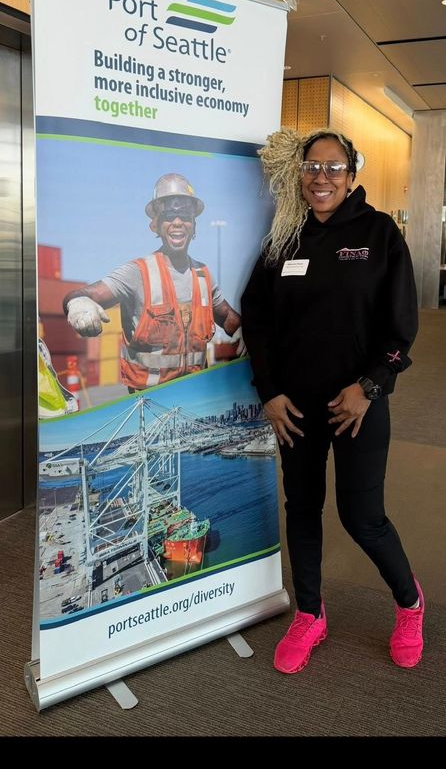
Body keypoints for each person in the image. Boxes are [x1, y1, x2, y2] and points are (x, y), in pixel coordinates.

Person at [241, 127, 424, 674]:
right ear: (299, 173)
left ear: (351, 175)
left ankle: (410, 603)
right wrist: (269, 391)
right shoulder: (285, 238)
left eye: (333, 168)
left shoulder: (379, 233)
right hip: (294, 409)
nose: (321, 177)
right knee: (301, 510)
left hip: (357, 406)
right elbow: (258, 318)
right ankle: (311, 614)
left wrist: (369, 387)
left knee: (362, 517)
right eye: (312, 167)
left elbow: (402, 328)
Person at [63, 173, 245, 390]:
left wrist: (250, 332)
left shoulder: (203, 276)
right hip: (148, 405)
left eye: (185, 216)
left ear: (194, 225)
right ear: (156, 225)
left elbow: (227, 317)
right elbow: (84, 294)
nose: (177, 223)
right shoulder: (137, 273)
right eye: (169, 216)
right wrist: (78, 303)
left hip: (196, 400)